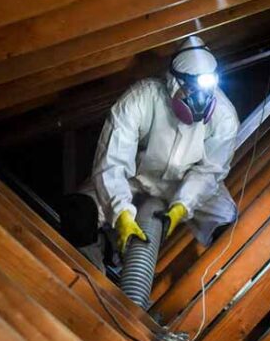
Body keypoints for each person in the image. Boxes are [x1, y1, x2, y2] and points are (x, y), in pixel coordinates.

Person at [60, 36, 240, 266]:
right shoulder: (140, 100)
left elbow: (210, 172)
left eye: (206, 92)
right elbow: (111, 163)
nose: (200, 102)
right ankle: (95, 278)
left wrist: (182, 205)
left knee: (226, 222)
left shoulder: (224, 118)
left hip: (184, 182)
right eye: (192, 91)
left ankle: (215, 287)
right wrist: (121, 212)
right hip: (136, 178)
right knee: (80, 214)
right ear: (174, 83)